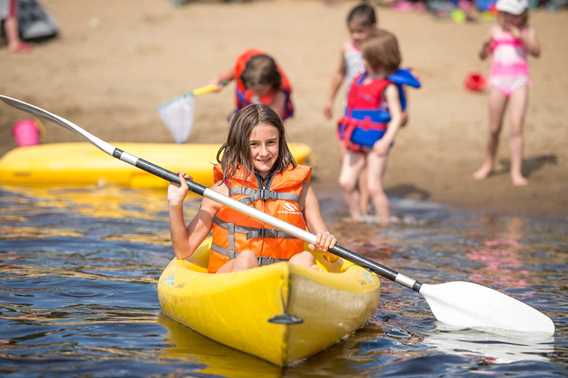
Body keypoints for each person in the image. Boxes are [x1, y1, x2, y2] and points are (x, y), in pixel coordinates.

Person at [168, 104, 337, 273]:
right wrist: (175, 205)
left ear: (280, 141)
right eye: (254, 144)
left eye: (270, 143)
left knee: (305, 259)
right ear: (240, 145)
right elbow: (184, 250)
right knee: (246, 258)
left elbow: (321, 237)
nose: (263, 153)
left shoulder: (301, 190)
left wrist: (325, 240)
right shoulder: (221, 191)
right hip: (230, 280)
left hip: (279, 280)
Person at [337, 30, 405, 225]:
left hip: (377, 143)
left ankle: (385, 224)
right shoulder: (359, 79)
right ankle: (357, 217)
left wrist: (386, 140)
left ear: (378, 59)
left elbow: (397, 116)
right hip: (355, 139)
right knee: (346, 182)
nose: (362, 59)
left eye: (365, 57)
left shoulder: (388, 87)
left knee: (374, 187)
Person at [473, 0, 540, 186]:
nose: (509, 18)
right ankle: (488, 164)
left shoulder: (528, 31)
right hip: (497, 82)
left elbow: (536, 51)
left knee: (516, 127)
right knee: (494, 128)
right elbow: (482, 55)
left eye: (514, 14)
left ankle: (516, 172)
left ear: (523, 14)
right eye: (505, 14)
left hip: (519, 82)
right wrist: (486, 46)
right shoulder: (494, 30)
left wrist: (522, 37)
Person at [323, 1, 379, 217]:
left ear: (373, 28)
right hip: (350, 110)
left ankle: (364, 207)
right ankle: (356, 202)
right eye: (352, 31)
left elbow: (392, 77)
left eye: (361, 31)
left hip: (372, 112)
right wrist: (330, 100)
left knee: (364, 161)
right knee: (346, 156)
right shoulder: (347, 48)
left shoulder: (377, 49)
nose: (355, 36)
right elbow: (339, 73)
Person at [215, 49, 294, 122]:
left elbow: (276, 118)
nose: (256, 93)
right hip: (247, 106)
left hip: (266, 113)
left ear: (271, 83)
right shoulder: (243, 72)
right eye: (252, 88)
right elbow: (230, 75)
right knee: (234, 119)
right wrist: (219, 84)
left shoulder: (279, 93)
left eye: (260, 90)